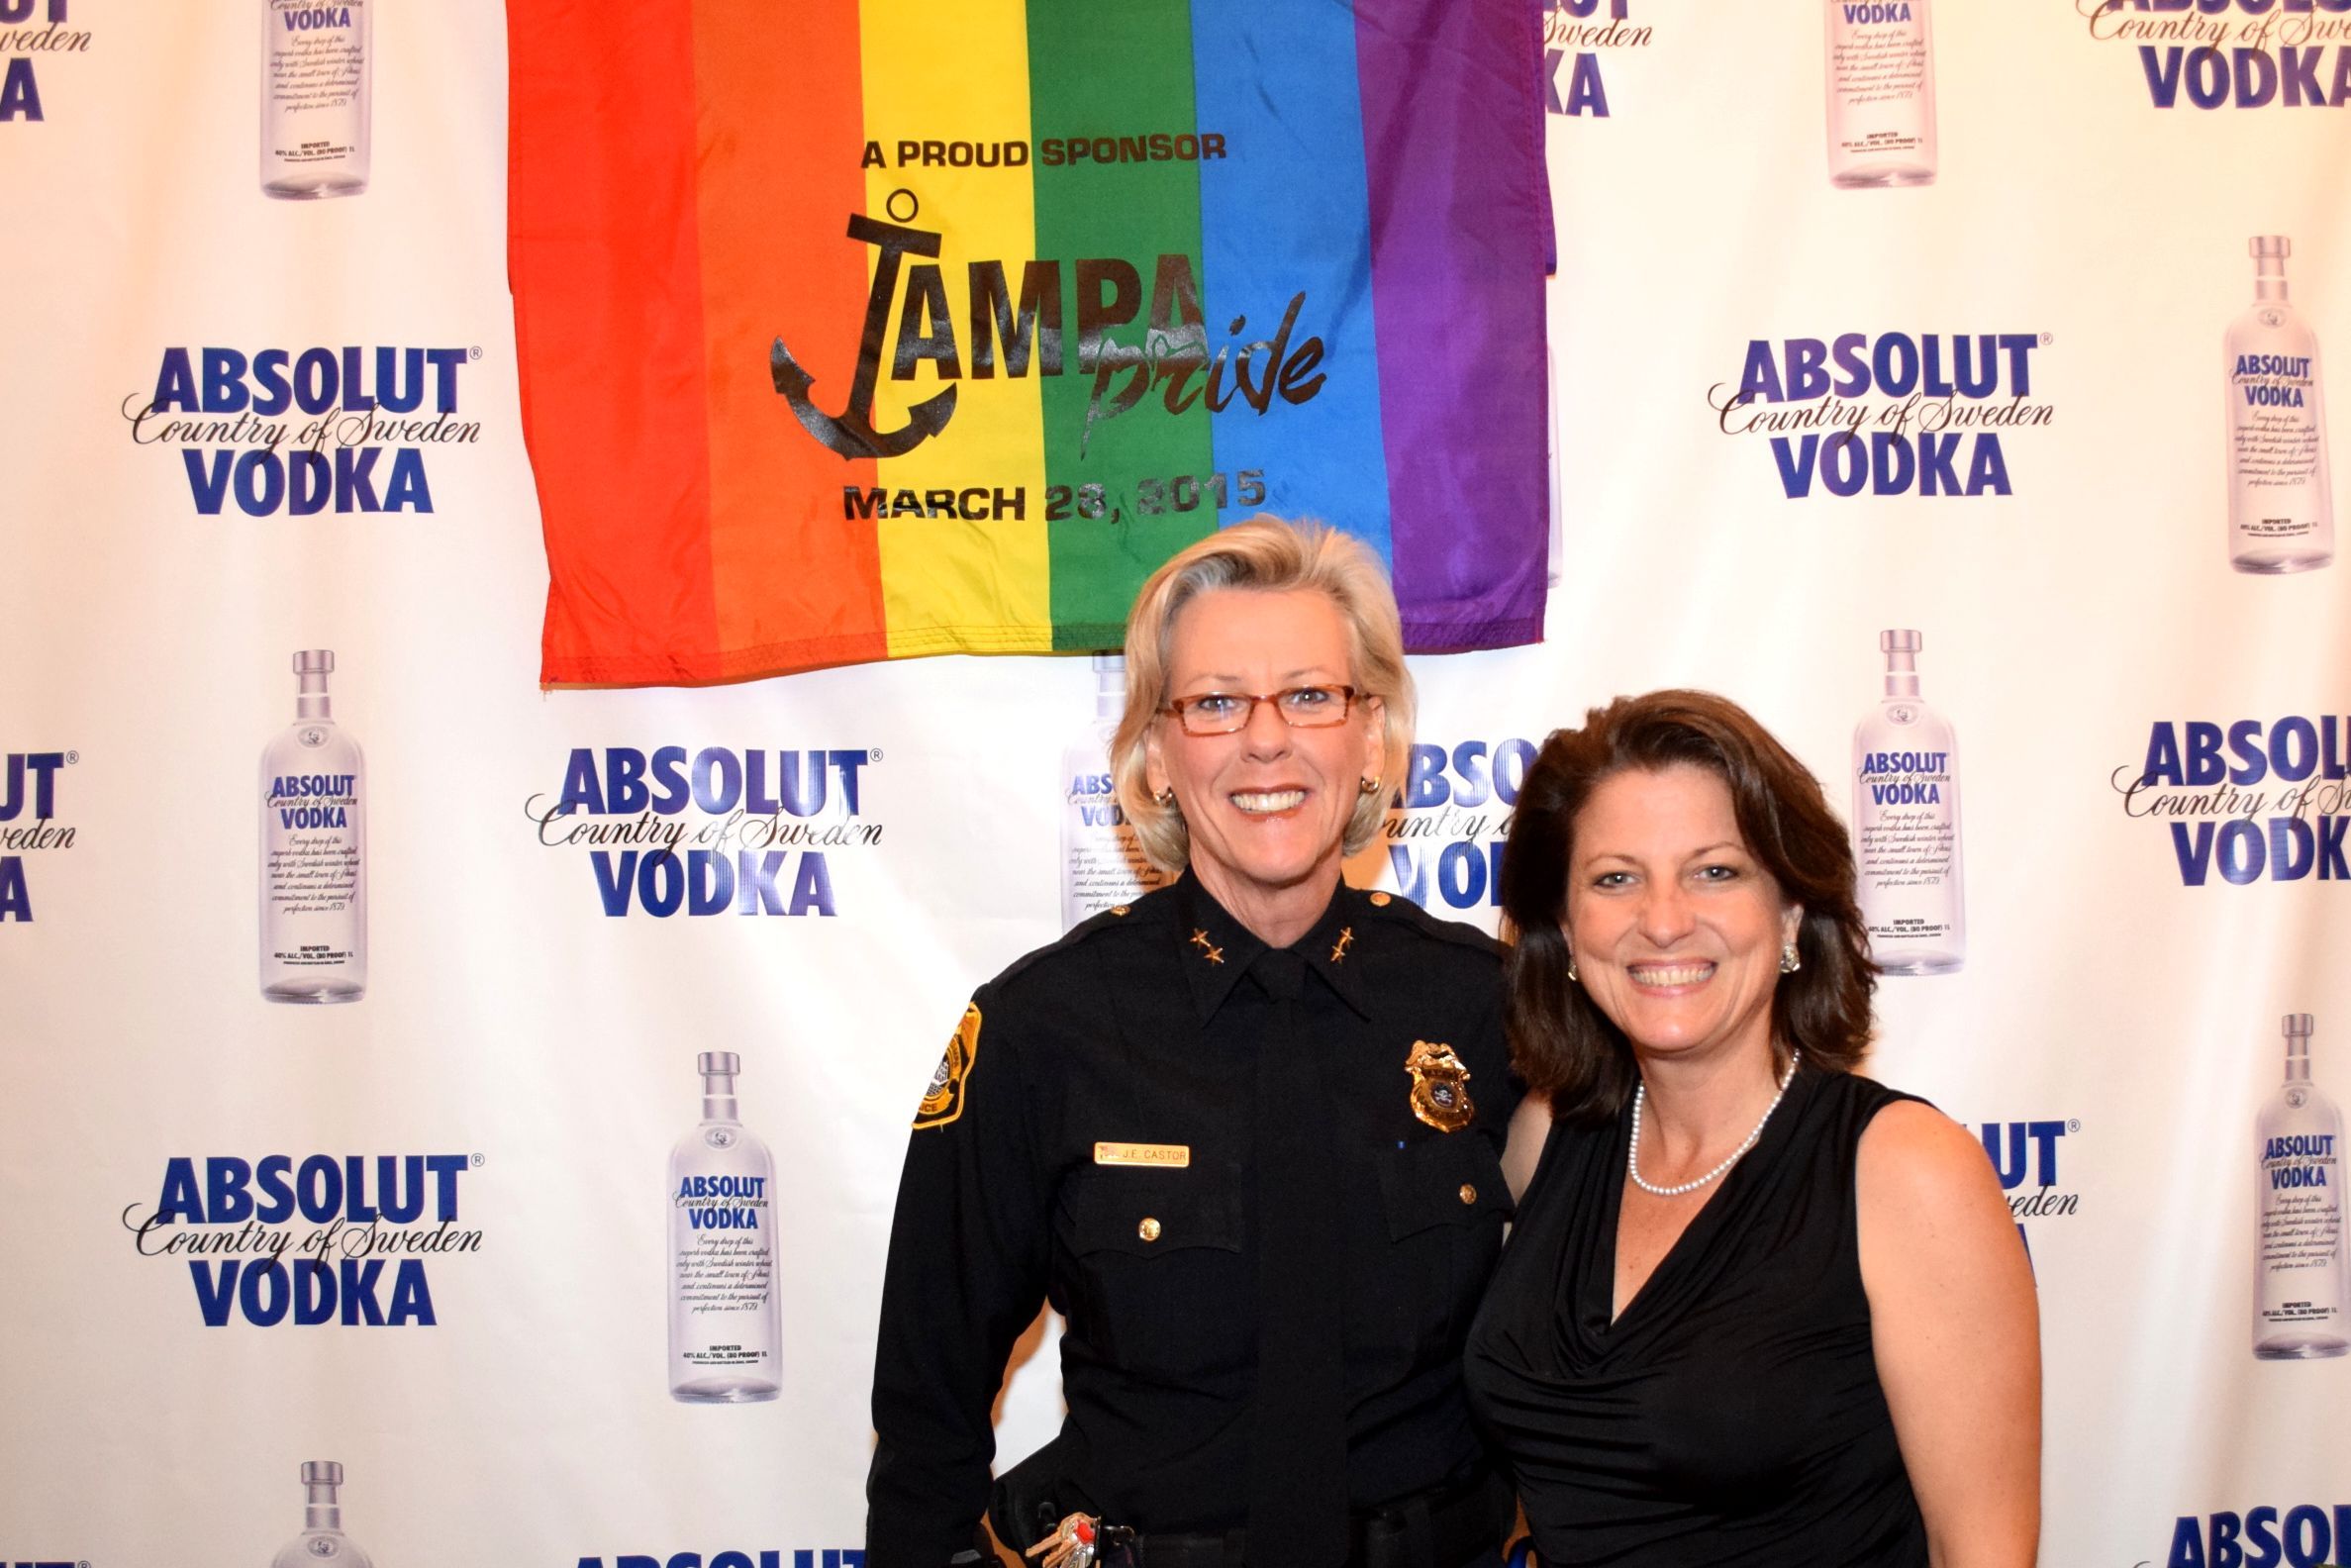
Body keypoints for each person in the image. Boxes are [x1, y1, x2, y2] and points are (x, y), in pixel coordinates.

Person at [866, 519, 1521, 1568]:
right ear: (1156, 757)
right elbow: (925, 1414)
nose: (1266, 740)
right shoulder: (1044, 1028)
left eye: (1310, 695)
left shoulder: (1485, 1006)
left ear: (1369, 742)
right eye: (1215, 703)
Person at [1466, 690, 2039, 1567]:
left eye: (1714, 872)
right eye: (1615, 878)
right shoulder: (1545, 1141)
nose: (1663, 920)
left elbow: (1982, 1550)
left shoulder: (1903, 1170)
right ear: (1566, 932)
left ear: (1791, 913)